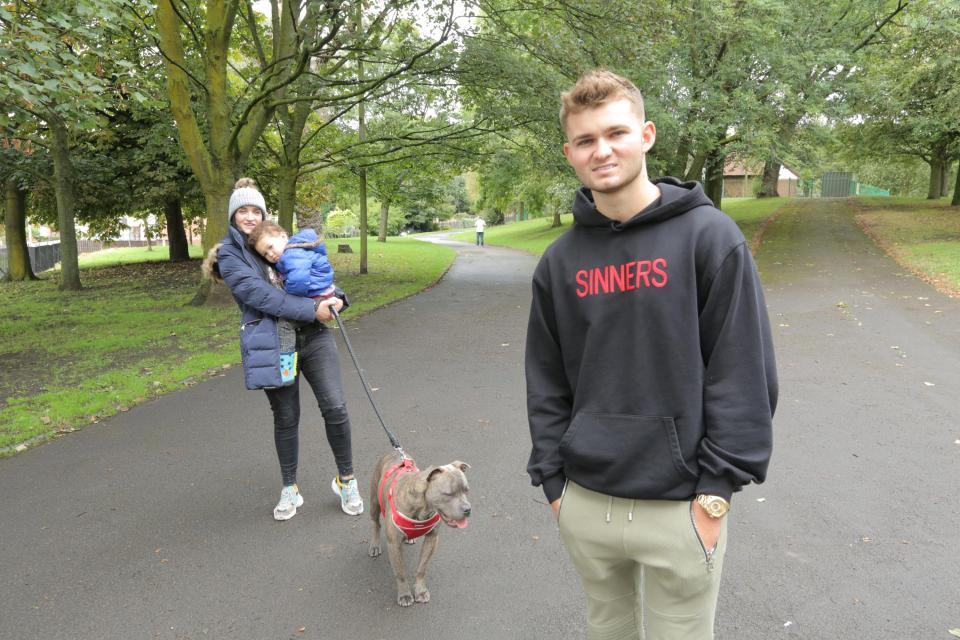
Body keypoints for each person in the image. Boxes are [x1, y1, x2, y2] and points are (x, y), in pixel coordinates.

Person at [524, 69, 777, 640]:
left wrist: (715, 495)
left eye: (615, 132)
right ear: (570, 153)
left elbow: (743, 374)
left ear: (647, 135)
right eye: (586, 140)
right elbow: (545, 381)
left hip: (681, 505)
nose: (602, 150)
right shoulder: (559, 263)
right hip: (585, 502)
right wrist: (555, 486)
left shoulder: (710, 238)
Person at [206, 178, 364, 521]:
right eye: (242, 211)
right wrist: (312, 309)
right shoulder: (229, 255)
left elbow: (315, 271)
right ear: (233, 215)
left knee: (335, 407)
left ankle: (346, 480)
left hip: (314, 337)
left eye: (255, 210)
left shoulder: (279, 241)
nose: (249, 216)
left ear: (264, 214)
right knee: (287, 417)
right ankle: (290, 488)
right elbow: (263, 297)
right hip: (275, 345)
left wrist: (337, 298)